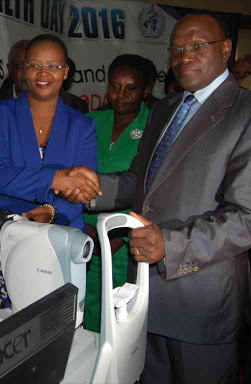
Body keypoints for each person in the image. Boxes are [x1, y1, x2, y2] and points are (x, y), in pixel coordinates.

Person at [63, 12, 251, 383]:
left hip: (201, 297)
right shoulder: (165, 109)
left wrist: (171, 243)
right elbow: (140, 180)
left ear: (225, 49)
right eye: (177, 48)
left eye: (197, 46)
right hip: (145, 290)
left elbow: (248, 218)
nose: (184, 56)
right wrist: (93, 186)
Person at [0, 34, 99, 307]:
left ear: (66, 71)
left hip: (64, 239)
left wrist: (53, 210)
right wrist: (57, 178)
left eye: (54, 66)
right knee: (15, 329)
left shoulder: (83, 125)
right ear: (23, 69)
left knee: (63, 325)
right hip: (11, 237)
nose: (44, 74)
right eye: (35, 65)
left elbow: (82, 189)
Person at [83, 54, 150, 333]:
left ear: (146, 90)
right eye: (114, 86)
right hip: (85, 236)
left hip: (125, 242)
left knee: (119, 322)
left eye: (130, 88)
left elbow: (149, 187)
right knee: (84, 312)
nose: (120, 95)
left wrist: (119, 234)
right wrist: (83, 227)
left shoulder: (154, 127)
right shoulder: (90, 121)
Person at [0, 39, 89, 117]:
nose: (25, 72)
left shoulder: (76, 107)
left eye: (34, 65)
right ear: (10, 69)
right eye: (19, 65)